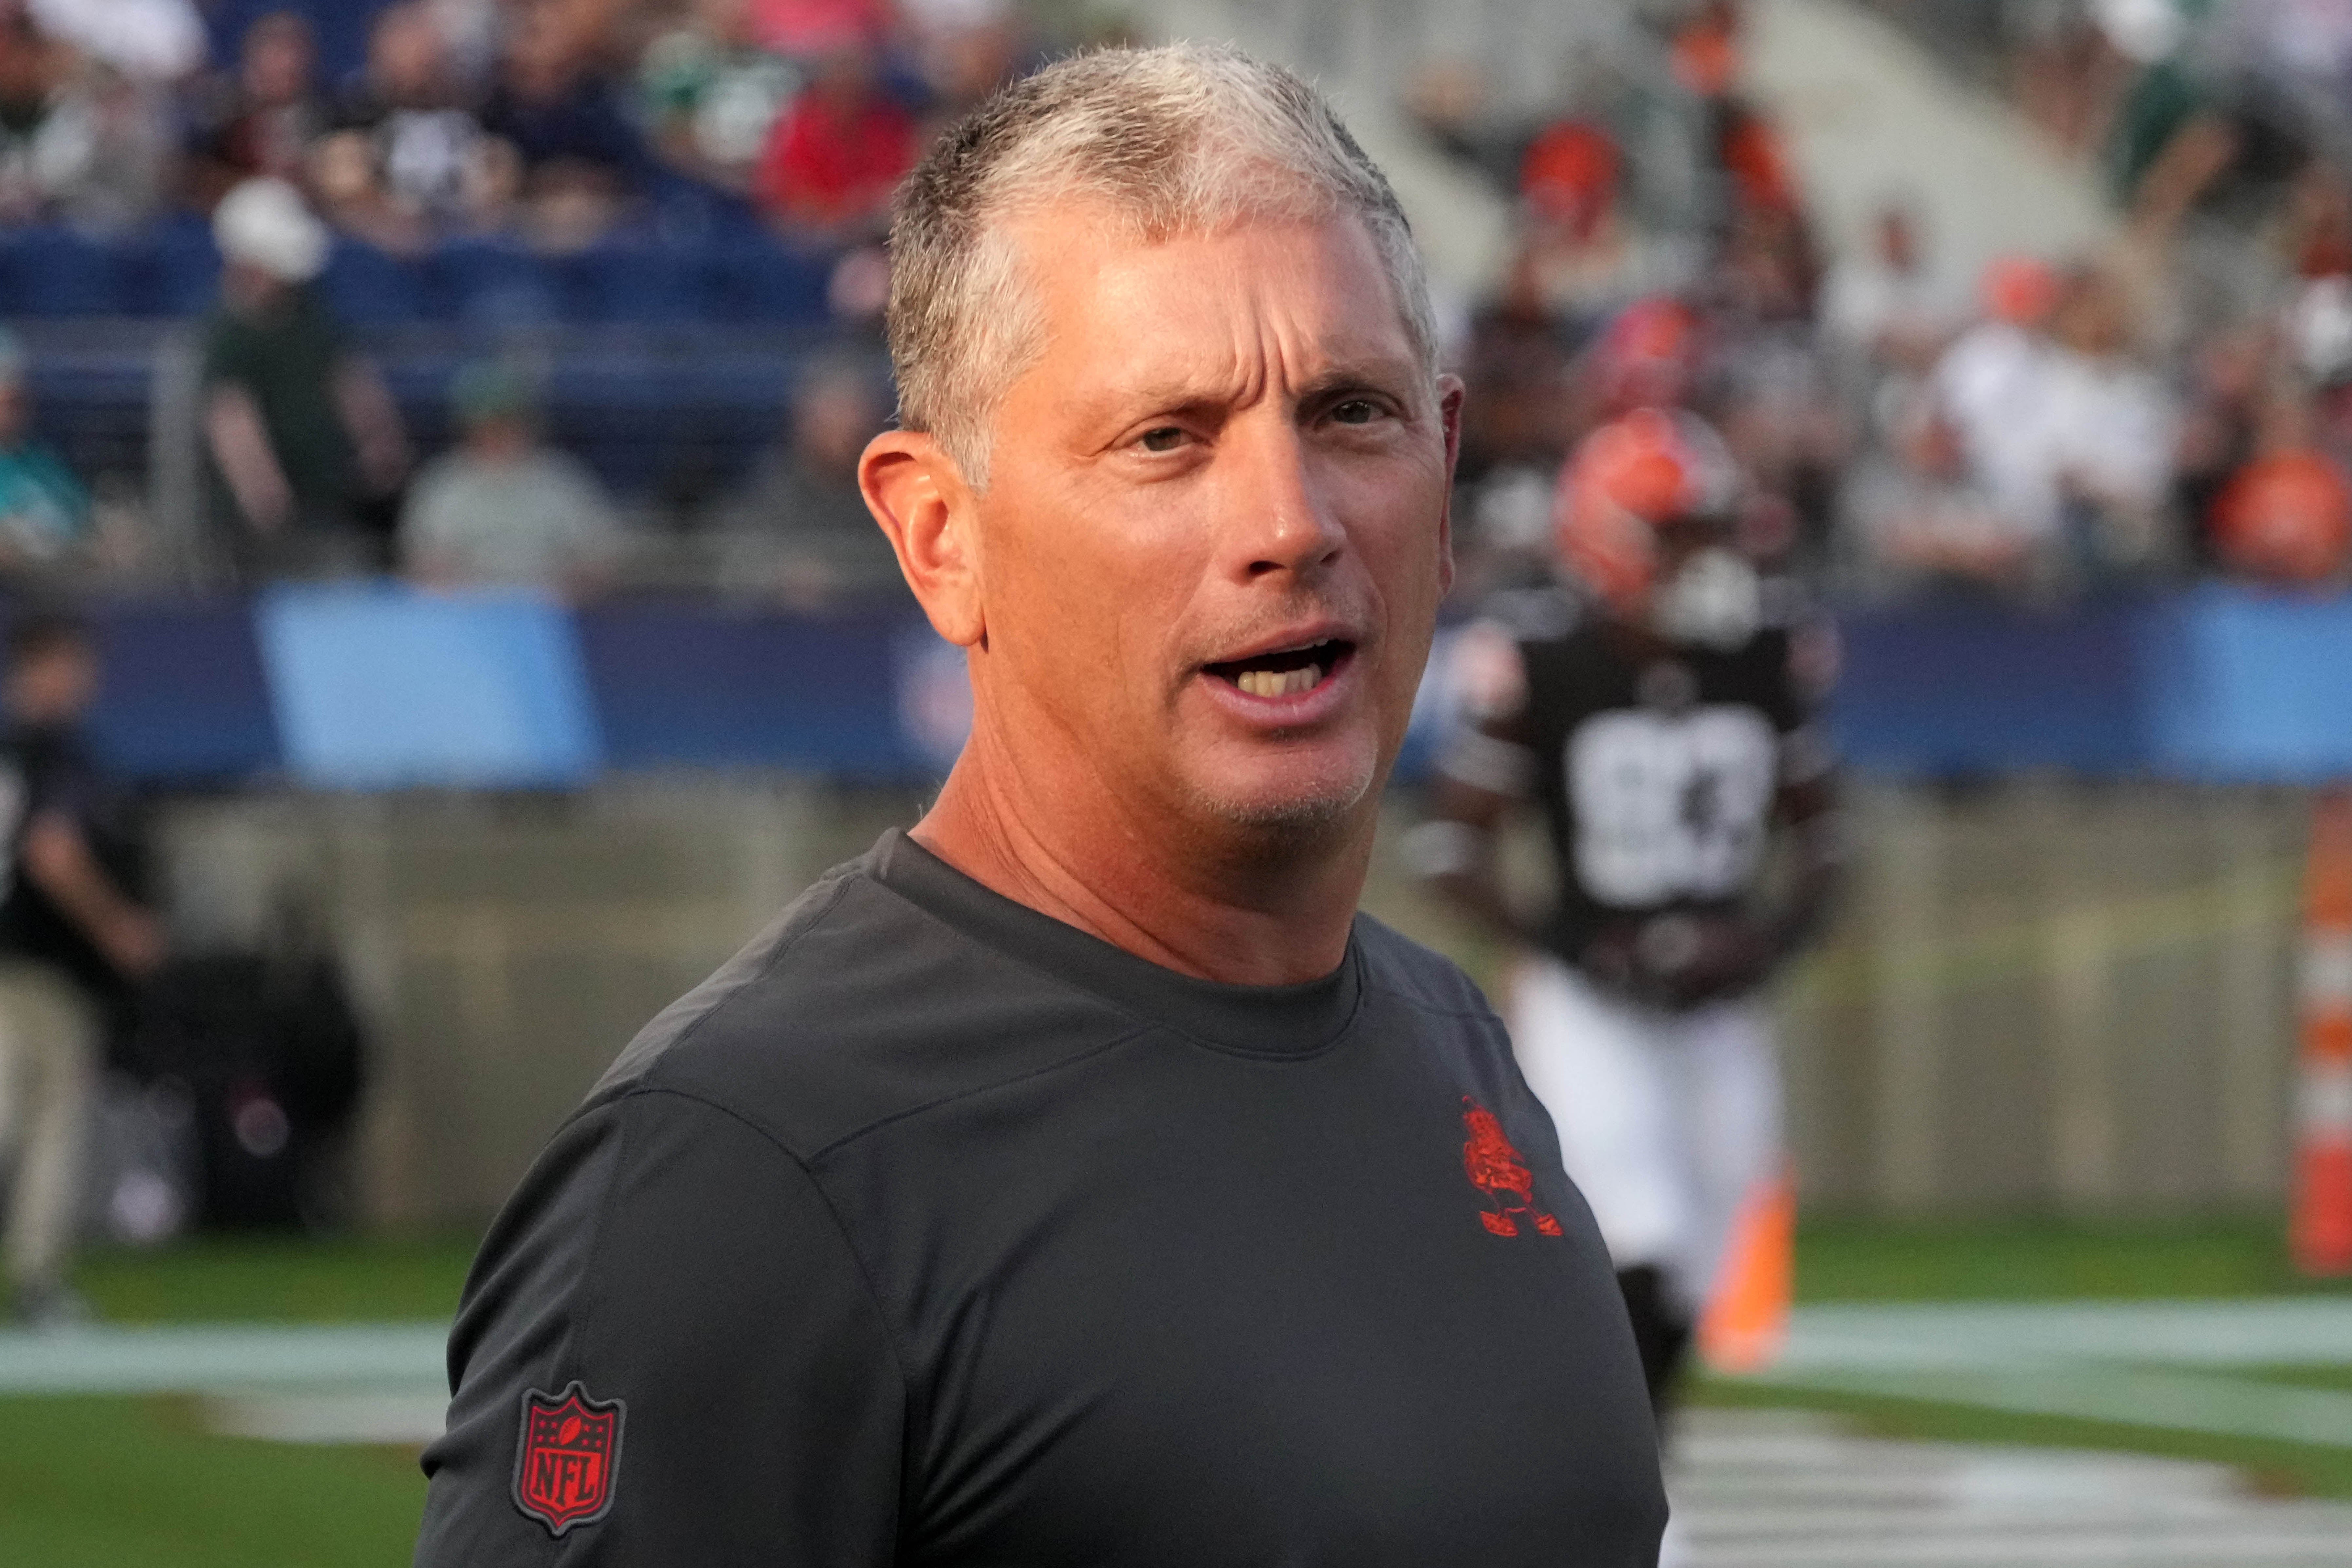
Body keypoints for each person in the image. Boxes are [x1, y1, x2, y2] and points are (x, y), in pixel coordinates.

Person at [415, 45, 1666, 1566]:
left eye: (1349, 412)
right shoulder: (746, 1166)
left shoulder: (1456, 1047)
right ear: (940, 535)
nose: (1291, 524)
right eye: (1167, 438)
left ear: (1448, 463)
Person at [1412, 402, 1841, 1433]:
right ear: (1611, 538)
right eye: (1678, 532)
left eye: (1709, 530)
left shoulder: (1763, 653)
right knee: (1637, 1243)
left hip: (1720, 1009)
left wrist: (1765, 941)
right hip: (1593, 1003)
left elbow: (1827, 839)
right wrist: (1575, 945)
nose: (1705, 556)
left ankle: (1633, 1473)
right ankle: (1626, 1500)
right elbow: (1450, 846)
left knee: (1702, 1263)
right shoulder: (1549, 659)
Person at [0, 612, 163, 1325]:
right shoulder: (59, 755)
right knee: (43, 1126)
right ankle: (38, 1284)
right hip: (41, 967)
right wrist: (117, 926)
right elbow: (54, 853)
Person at [201, 177, 410, 578]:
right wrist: (260, 487)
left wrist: (378, 439)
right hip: (267, 518)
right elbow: (230, 417)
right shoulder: (227, 333)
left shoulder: (309, 311)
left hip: (329, 490)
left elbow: (347, 377)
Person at [399, 360, 622, 593]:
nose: (497, 435)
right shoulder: (442, 485)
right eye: (486, 425)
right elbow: (425, 566)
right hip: (466, 618)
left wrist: (555, 592)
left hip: (549, 617)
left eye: (506, 423)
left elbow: (600, 564)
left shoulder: (565, 483)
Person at [709, 355, 902, 604]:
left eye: (853, 410)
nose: (846, 426)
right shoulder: (773, 490)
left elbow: (901, 571)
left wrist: (845, 581)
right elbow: (731, 567)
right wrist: (782, 577)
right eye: (832, 411)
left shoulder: (889, 495)